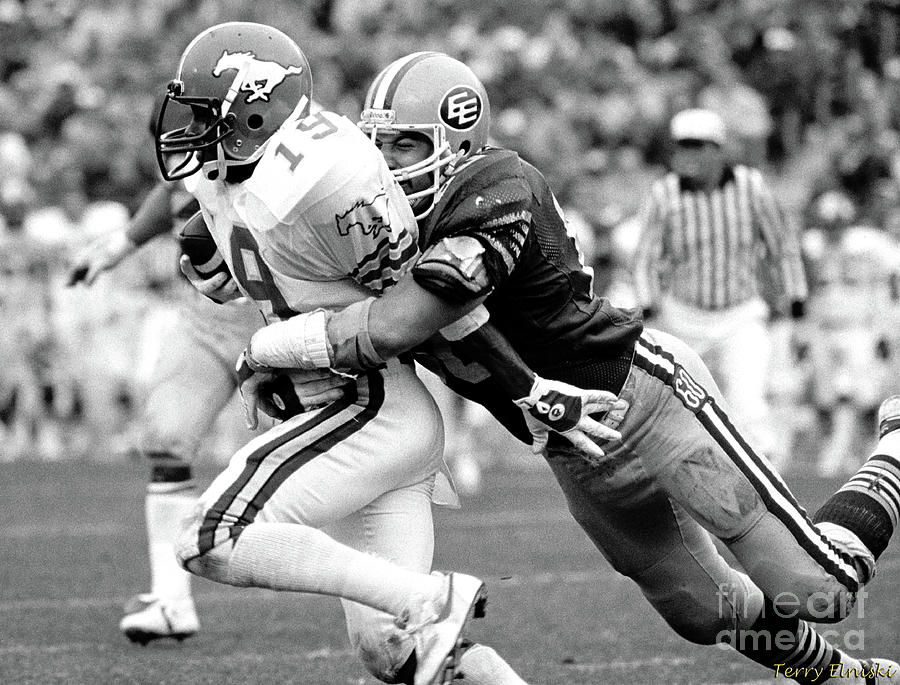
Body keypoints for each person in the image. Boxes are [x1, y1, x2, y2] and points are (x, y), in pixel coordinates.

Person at [241, 52, 900, 683]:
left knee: (819, 589)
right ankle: (842, 675)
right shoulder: (375, 225)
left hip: (642, 398)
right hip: (569, 445)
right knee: (703, 610)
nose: (383, 165)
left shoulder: (496, 185)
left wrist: (269, 349)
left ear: (459, 141)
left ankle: (895, 445)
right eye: (376, 145)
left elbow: (399, 323)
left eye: (405, 145)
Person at [154, 22, 532, 685]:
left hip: (368, 405)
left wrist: (522, 389)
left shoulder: (326, 177)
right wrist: (207, 244)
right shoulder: (234, 177)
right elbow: (226, 231)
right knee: (398, 651)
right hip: (364, 416)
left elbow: (421, 301)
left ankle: (432, 598)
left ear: (256, 108)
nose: (190, 127)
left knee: (207, 535)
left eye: (206, 113)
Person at [67, 180, 268, 644]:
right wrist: (122, 243)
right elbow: (174, 191)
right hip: (209, 322)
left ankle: (390, 591)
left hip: (291, 324)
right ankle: (171, 602)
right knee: (166, 438)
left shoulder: (297, 160)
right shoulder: (203, 159)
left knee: (335, 466)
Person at [631, 107, 808, 463]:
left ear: (718, 150)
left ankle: (766, 485)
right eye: (681, 145)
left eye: (696, 146)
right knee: (678, 406)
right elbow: (646, 256)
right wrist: (648, 305)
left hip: (740, 314)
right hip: (682, 316)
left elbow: (781, 246)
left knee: (749, 403)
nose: (686, 154)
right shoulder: (664, 193)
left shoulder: (751, 187)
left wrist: (796, 301)